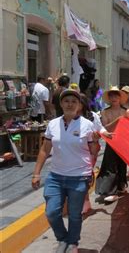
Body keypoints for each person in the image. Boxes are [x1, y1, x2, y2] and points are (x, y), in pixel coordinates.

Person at [31, 89, 99, 253]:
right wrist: (36, 173)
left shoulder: (87, 125)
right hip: (56, 176)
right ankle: (63, 238)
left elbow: (94, 151)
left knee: (75, 214)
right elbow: (44, 150)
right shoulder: (53, 124)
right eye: (66, 101)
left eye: (74, 101)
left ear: (79, 105)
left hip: (79, 177)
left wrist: (96, 142)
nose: (70, 104)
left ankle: (72, 243)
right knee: (52, 212)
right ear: (61, 104)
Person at [77, 93, 111, 215]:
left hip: (91, 150)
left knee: (83, 176)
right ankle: (81, 201)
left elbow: (100, 128)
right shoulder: (68, 116)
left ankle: (85, 202)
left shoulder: (92, 116)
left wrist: (105, 134)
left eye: (77, 102)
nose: (73, 104)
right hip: (75, 151)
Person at [95, 86, 128, 203]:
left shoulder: (126, 111)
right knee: (110, 166)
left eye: (116, 95)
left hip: (124, 142)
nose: (114, 98)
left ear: (120, 98)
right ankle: (111, 191)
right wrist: (118, 120)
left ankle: (121, 186)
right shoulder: (104, 112)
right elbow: (105, 128)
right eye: (111, 96)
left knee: (121, 165)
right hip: (111, 141)